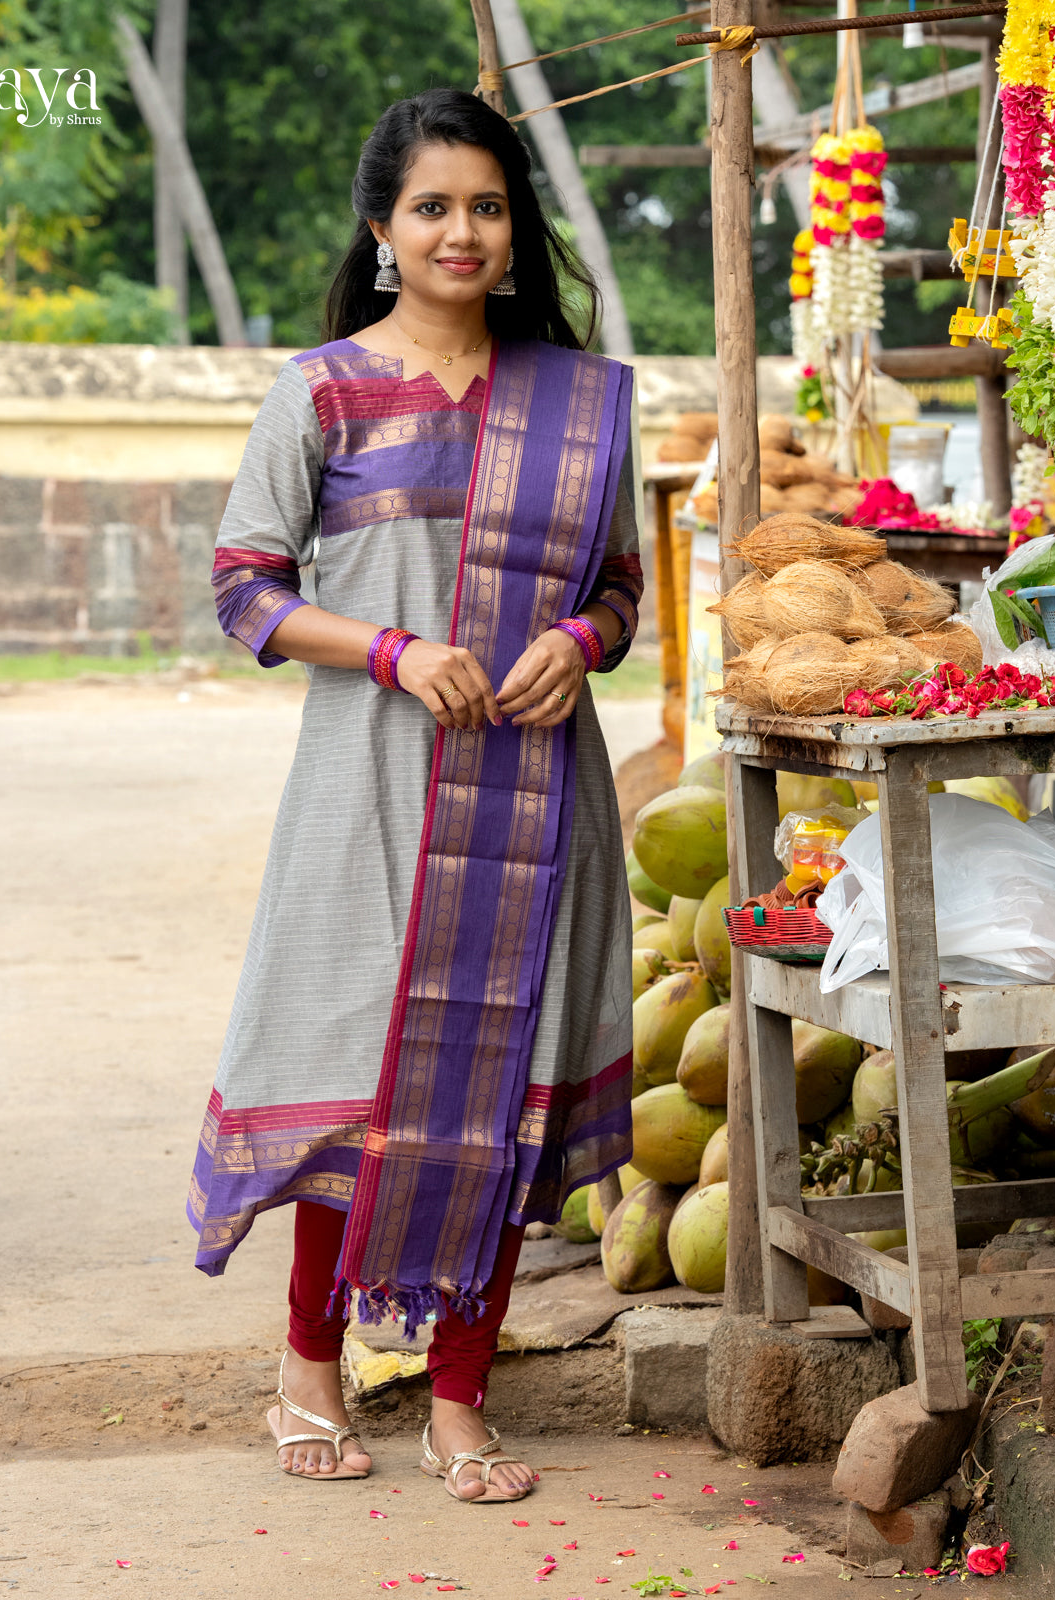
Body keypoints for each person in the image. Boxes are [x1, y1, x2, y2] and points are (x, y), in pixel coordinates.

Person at [186, 85, 643, 1505]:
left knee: (497, 1082)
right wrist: (390, 649)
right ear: (384, 227)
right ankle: (308, 1376)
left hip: (533, 787)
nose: (462, 231)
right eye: (433, 206)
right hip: (370, 784)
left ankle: (457, 1402)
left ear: (517, 230)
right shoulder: (319, 389)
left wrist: (579, 641)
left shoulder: (576, 401)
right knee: (361, 1083)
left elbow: (622, 588)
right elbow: (243, 589)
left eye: (488, 206)